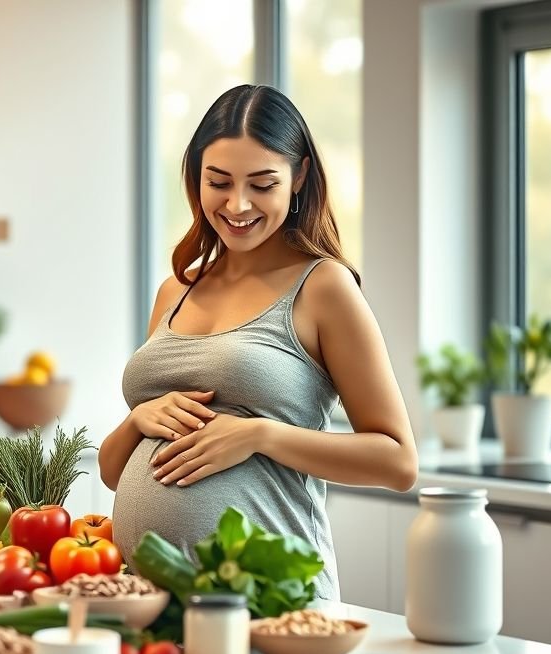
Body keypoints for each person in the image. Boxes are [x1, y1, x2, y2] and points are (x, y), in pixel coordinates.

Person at [98, 84, 417, 600]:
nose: (237, 204)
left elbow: (398, 462)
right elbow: (116, 475)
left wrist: (259, 436)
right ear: (194, 178)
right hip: (155, 609)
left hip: (273, 604)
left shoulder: (322, 286)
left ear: (300, 178)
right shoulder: (176, 290)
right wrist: (137, 419)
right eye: (218, 182)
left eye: (262, 184)